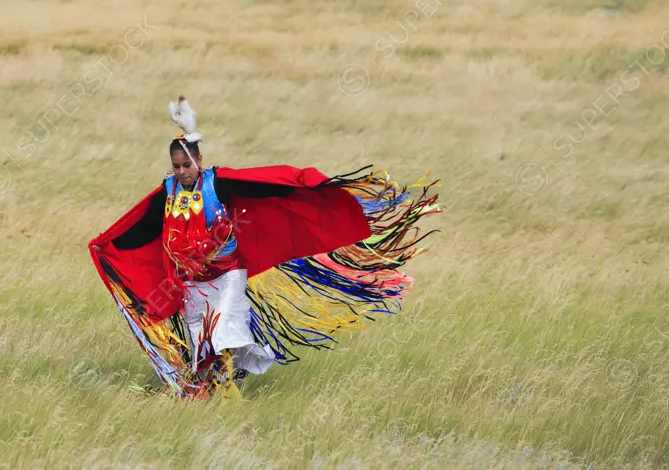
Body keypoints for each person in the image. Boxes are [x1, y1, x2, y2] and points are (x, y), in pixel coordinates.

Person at [88, 96, 442, 401]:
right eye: (176, 166)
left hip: (226, 275)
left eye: (187, 165)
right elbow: (144, 227)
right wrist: (109, 247)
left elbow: (267, 185)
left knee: (222, 332)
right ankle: (219, 384)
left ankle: (229, 397)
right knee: (203, 343)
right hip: (191, 282)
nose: (182, 171)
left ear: (199, 159)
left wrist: (307, 185)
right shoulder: (168, 192)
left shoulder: (217, 183)